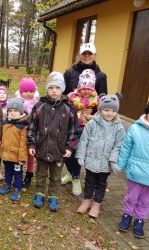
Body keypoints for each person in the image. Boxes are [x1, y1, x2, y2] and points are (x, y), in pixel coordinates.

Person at [27, 72, 78, 212]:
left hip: (59, 150)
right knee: (41, 173)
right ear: (47, 89)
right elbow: (32, 127)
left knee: (56, 176)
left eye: (57, 87)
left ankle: (53, 196)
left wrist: (70, 147)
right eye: (51, 88)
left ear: (62, 89)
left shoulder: (69, 108)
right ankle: (39, 193)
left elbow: (74, 130)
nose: (54, 91)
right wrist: (31, 144)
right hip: (42, 148)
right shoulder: (39, 106)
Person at [117, 96, 149, 238]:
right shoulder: (135, 128)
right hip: (135, 171)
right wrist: (120, 165)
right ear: (147, 113)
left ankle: (140, 220)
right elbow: (126, 148)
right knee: (132, 197)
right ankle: (127, 215)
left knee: (146, 201)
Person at [75, 93, 125, 218]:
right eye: (106, 110)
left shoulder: (119, 127)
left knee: (101, 183)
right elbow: (84, 140)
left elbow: (118, 146)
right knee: (89, 181)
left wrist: (113, 161)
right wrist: (81, 155)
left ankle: (97, 203)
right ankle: (86, 200)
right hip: (91, 160)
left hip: (106, 163)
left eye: (113, 111)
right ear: (100, 109)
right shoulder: (92, 123)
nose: (109, 113)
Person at [63, 69, 100, 195]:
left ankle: (76, 178)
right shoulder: (72, 98)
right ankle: (70, 173)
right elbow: (64, 109)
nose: (86, 91)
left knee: (77, 154)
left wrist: (94, 114)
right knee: (66, 153)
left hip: (85, 130)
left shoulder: (96, 100)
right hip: (70, 128)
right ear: (79, 88)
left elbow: (104, 113)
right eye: (83, 88)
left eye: (89, 88)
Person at [0, 98, 28, 201]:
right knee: (7, 171)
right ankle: (7, 184)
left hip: (17, 156)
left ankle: (17, 188)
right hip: (6, 154)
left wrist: (22, 158)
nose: (12, 113)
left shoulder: (23, 125)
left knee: (18, 173)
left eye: (15, 111)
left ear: (20, 111)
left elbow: (23, 144)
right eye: (10, 111)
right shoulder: (5, 123)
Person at [15, 78, 39, 189]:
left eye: (31, 91)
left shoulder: (37, 103)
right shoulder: (17, 102)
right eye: (26, 91)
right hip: (20, 131)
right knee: (19, 152)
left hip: (32, 132)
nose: (29, 94)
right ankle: (17, 172)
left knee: (31, 154)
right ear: (21, 91)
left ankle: (29, 174)